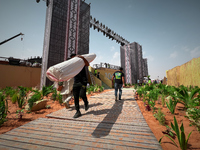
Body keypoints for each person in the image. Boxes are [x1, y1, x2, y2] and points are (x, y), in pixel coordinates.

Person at [70, 53, 89, 118]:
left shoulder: (81, 63)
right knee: (75, 97)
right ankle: (78, 111)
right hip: (76, 82)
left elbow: (87, 64)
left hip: (83, 82)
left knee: (82, 94)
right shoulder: (72, 66)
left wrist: (82, 58)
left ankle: (86, 102)